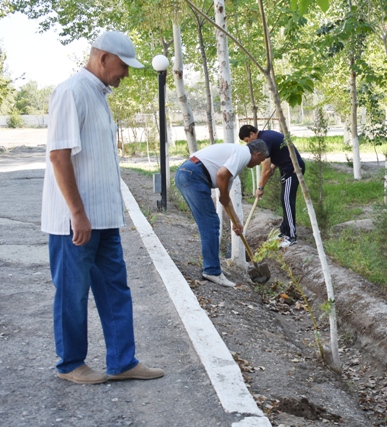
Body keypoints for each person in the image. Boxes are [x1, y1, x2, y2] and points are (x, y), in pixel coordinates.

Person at [41, 31, 164, 384]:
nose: (125, 74)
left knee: (115, 289)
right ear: (104, 58)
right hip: (75, 222)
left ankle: (123, 361)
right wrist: (77, 214)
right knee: (72, 293)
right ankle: (71, 364)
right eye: (124, 66)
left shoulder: (99, 95)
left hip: (104, 219)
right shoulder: (71, 92)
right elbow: (59, 156)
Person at [175, 140, 269, 286]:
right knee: (211, 223)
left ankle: (210, 267)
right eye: (260, 160)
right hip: (194, 176)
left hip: (186, 173)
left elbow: (225, 198)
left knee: (207, 223)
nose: (258, 164)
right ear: (257, 154)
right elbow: (221, 175)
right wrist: (224, 195)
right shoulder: (243, 154)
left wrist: (236, 221)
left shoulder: (235, 157)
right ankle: (212, 271)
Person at [238, 124, 305, 248]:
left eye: (247, 141)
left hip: (293, 169)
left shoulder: (263, 141)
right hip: (287, 168)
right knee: (284, 200)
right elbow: (279, 153)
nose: (248, 144)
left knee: (287, 201)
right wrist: (275, 165)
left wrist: (260, 188)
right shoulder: (266, 135)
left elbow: (266, 169)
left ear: (252, 134)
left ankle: (291, 236)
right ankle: (284, 232)